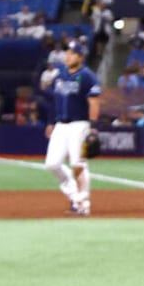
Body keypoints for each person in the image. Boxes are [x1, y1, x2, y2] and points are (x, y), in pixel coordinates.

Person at [39, 37, 101, 216]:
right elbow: (56, 100)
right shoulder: (60, 75)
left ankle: (83, 202)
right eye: (68, 52)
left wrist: (93, 126)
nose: (68, 55)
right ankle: (74, 195)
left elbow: (94, 102)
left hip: (79, 124)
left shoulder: (88, 76)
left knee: (78, 164)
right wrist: (51, 122)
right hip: (61, 124)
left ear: (80, 57)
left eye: (73, 53)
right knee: (52, 164)